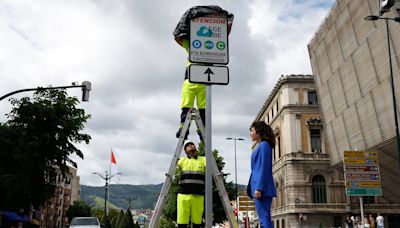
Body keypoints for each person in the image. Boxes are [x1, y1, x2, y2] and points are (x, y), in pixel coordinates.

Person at [173, 6, 234, 141]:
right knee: (186, 106)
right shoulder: (190, 43)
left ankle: (202, 131)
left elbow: (224, 35)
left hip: (205, 81)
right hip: (191, 77)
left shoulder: (213, 44)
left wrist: (229, 24)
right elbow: (178, 38)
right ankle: (184, 128)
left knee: (203, 109)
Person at [247, 121, 276, 228]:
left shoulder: (264, 145)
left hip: (261, 189)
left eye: (252, 130)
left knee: (264, 219)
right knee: (263, 219)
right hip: (259, 188)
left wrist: (259, 188)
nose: (250, 133)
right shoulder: (261, 146)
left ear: (258, 133)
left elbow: (264, 168)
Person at [176, 142, 206, 228]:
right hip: (183, 195)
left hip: (198, 196)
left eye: (192, 145)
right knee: (182, 221)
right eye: (188, 145)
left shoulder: (203, 160)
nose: (191, 146)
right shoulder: (182, 161)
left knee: (197, 222)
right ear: (185, 150)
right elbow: (174, 170)